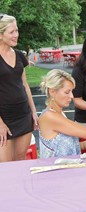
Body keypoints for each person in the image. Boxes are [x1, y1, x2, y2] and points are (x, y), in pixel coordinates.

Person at [39, 69, 86, 158]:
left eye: (71, 91)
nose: (71, 96)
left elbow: (64, 147)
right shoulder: (49, 117)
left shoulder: (59, 114)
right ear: (52, 92)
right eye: (67, 92)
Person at [0, 14, 38, 162]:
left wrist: (34, 112)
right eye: (12, 32)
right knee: (5, 166)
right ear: (1, 34)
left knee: (21, 160)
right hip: (4, 119)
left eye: (17, 30)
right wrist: (1, 124)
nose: (16, 35)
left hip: (23, 116)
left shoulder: (19, 55)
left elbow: (24, 85)